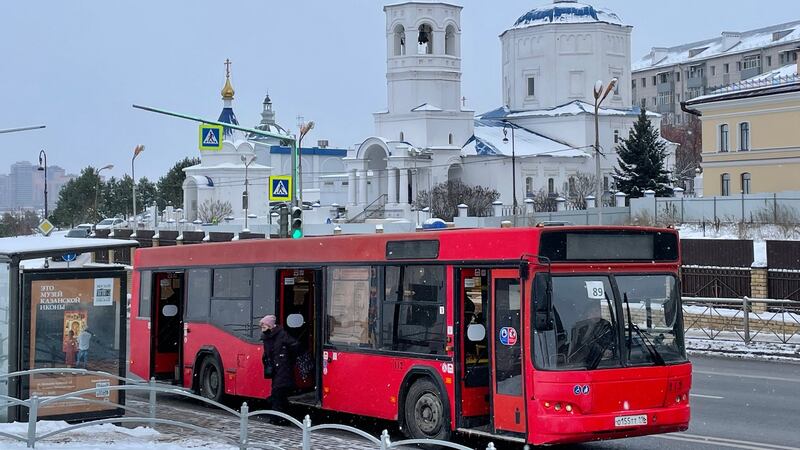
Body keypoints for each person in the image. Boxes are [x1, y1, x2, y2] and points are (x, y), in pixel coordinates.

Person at [260, 315, 298, 425]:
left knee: (277, 394)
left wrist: (285, 359)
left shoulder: (281, 335)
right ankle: (284, 418)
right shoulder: (267, 337)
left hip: (283, 369)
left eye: (264, 325)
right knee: (280, 396)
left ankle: (276, 419)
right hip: (276, 370)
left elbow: (294, 346)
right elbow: (268, 354)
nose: (262, 327)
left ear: (270, 326)